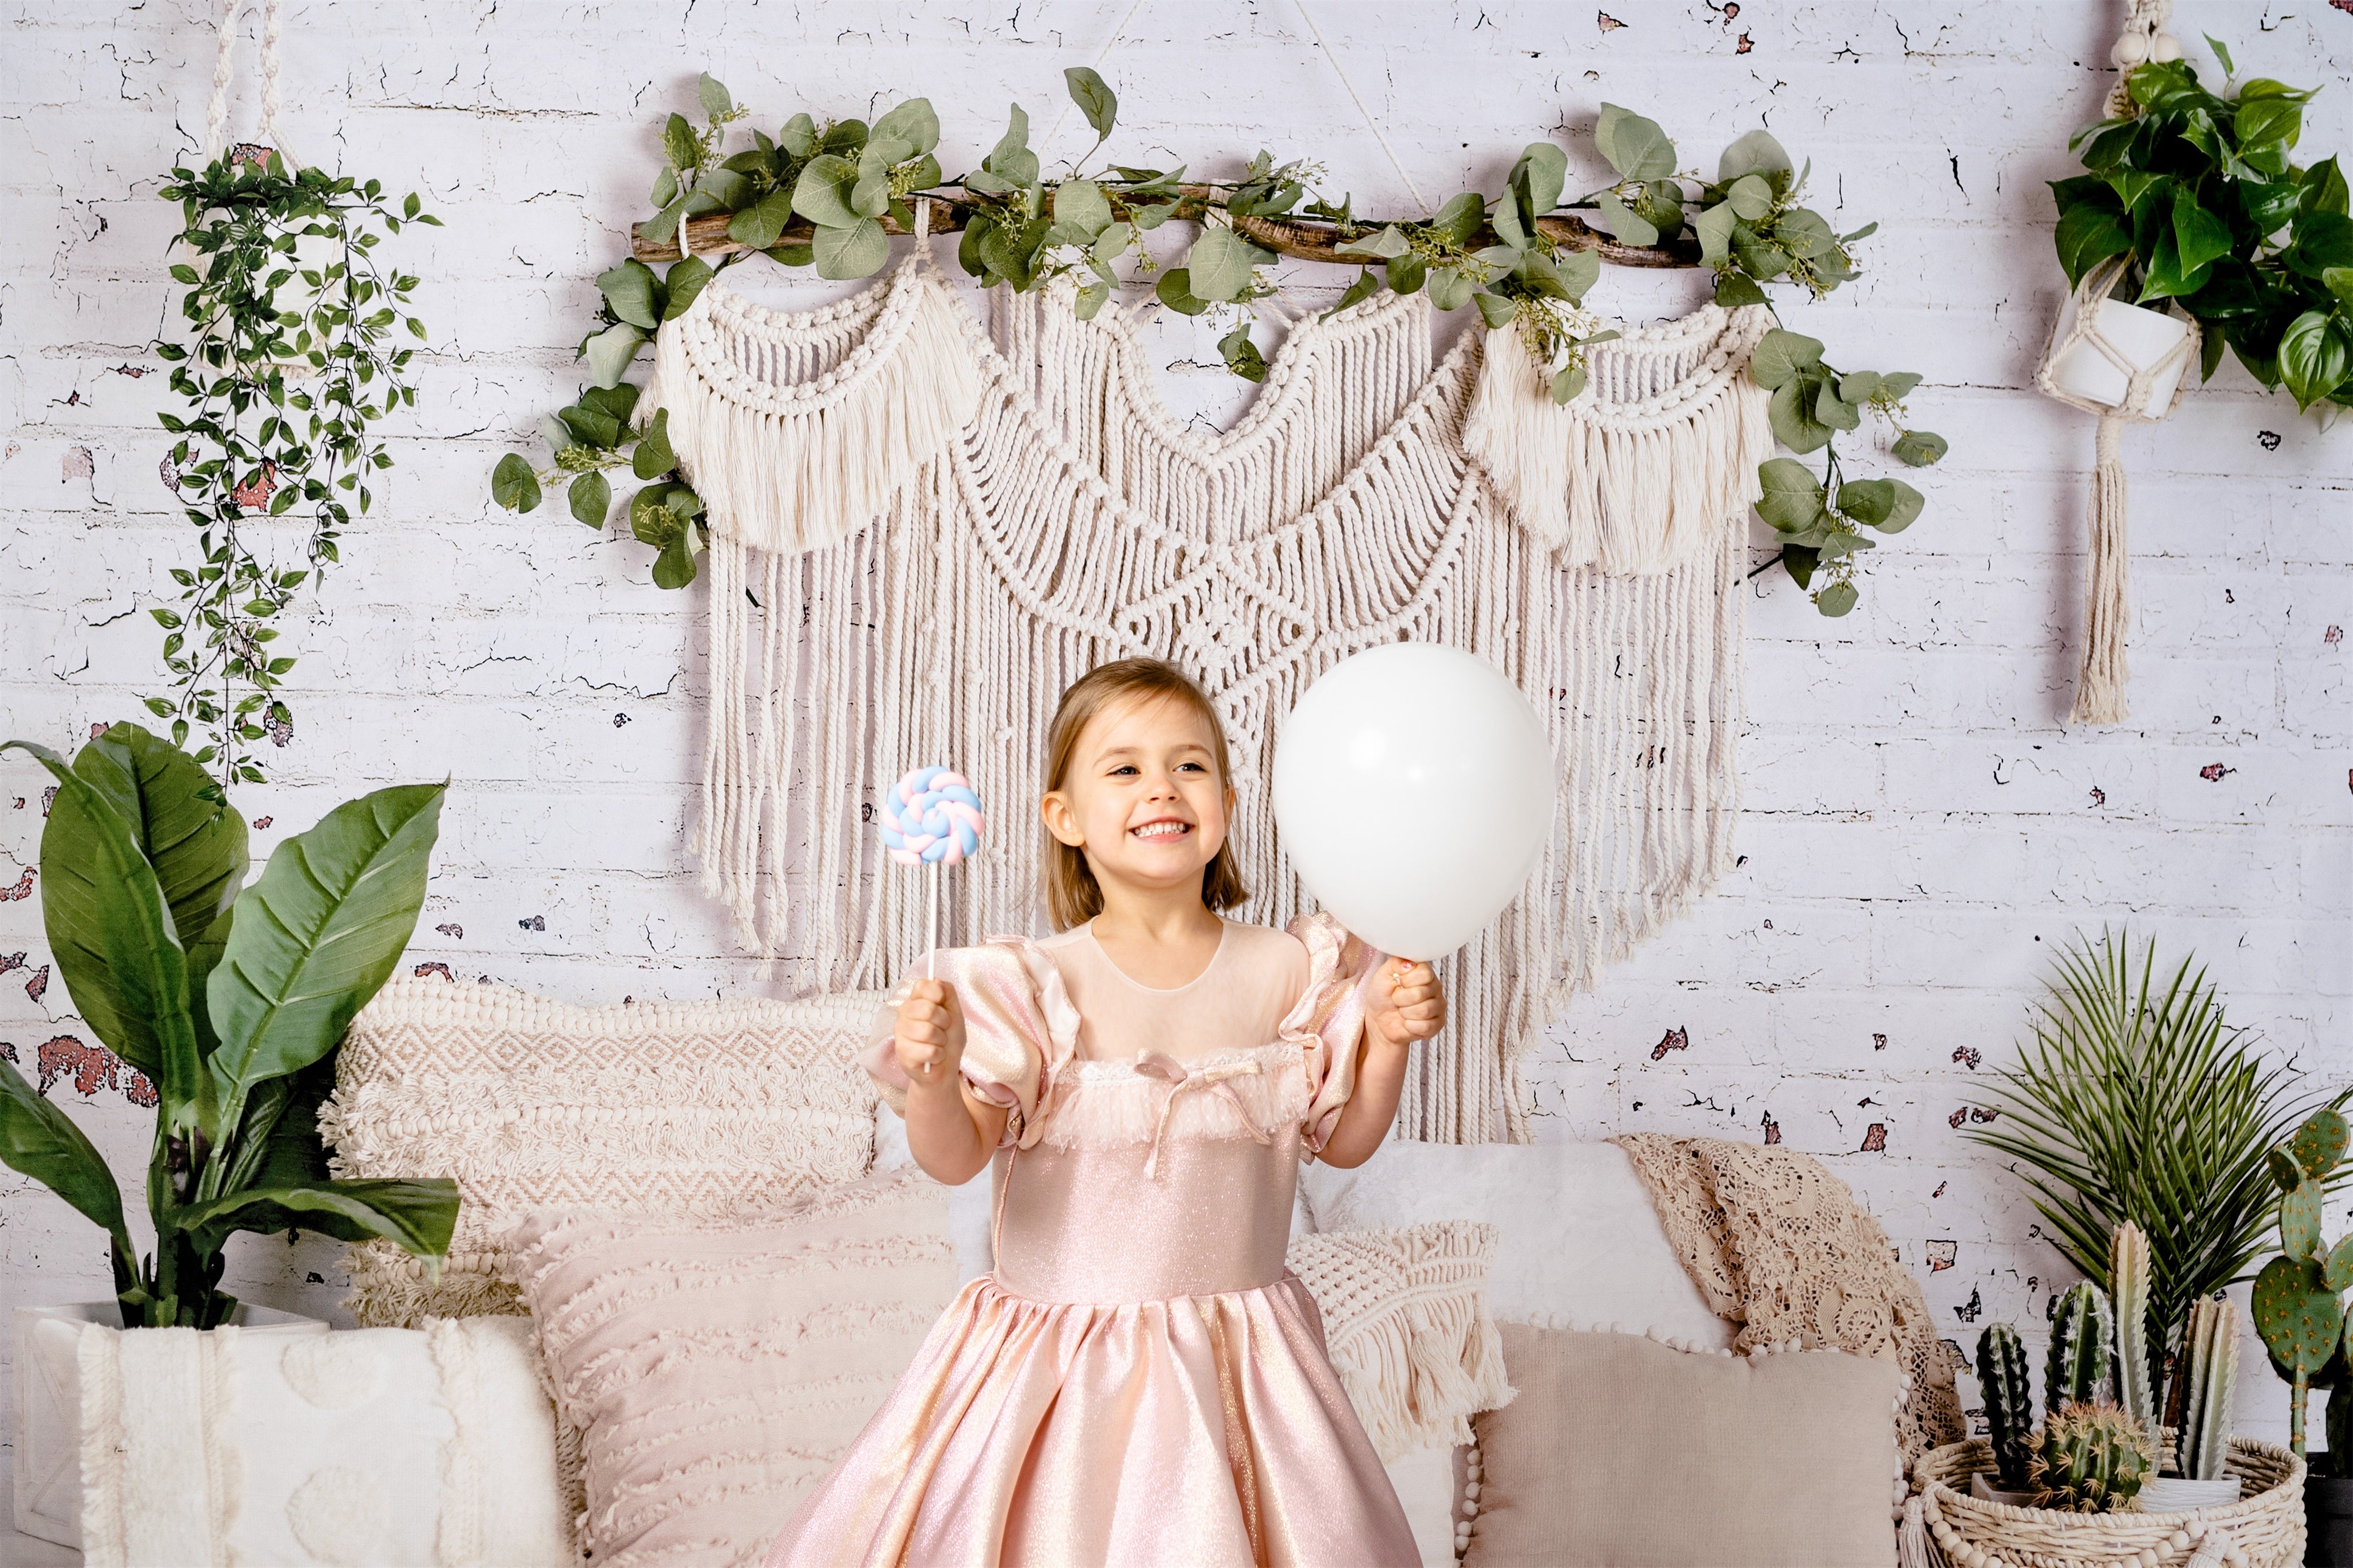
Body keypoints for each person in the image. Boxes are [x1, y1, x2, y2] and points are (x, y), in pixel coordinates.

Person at [764, 656, 1444, 1567]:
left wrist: (1388, 1043)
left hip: (1242, 1373)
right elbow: (958, 1156)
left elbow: (1346, 1141)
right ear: (1065, 817)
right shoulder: (1035, 985)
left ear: (1228, 805)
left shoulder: (1288, 971)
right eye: (1123, 767)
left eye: (1189, 764)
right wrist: (934, 1079)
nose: (1161, 786)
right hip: (1061, 1378)